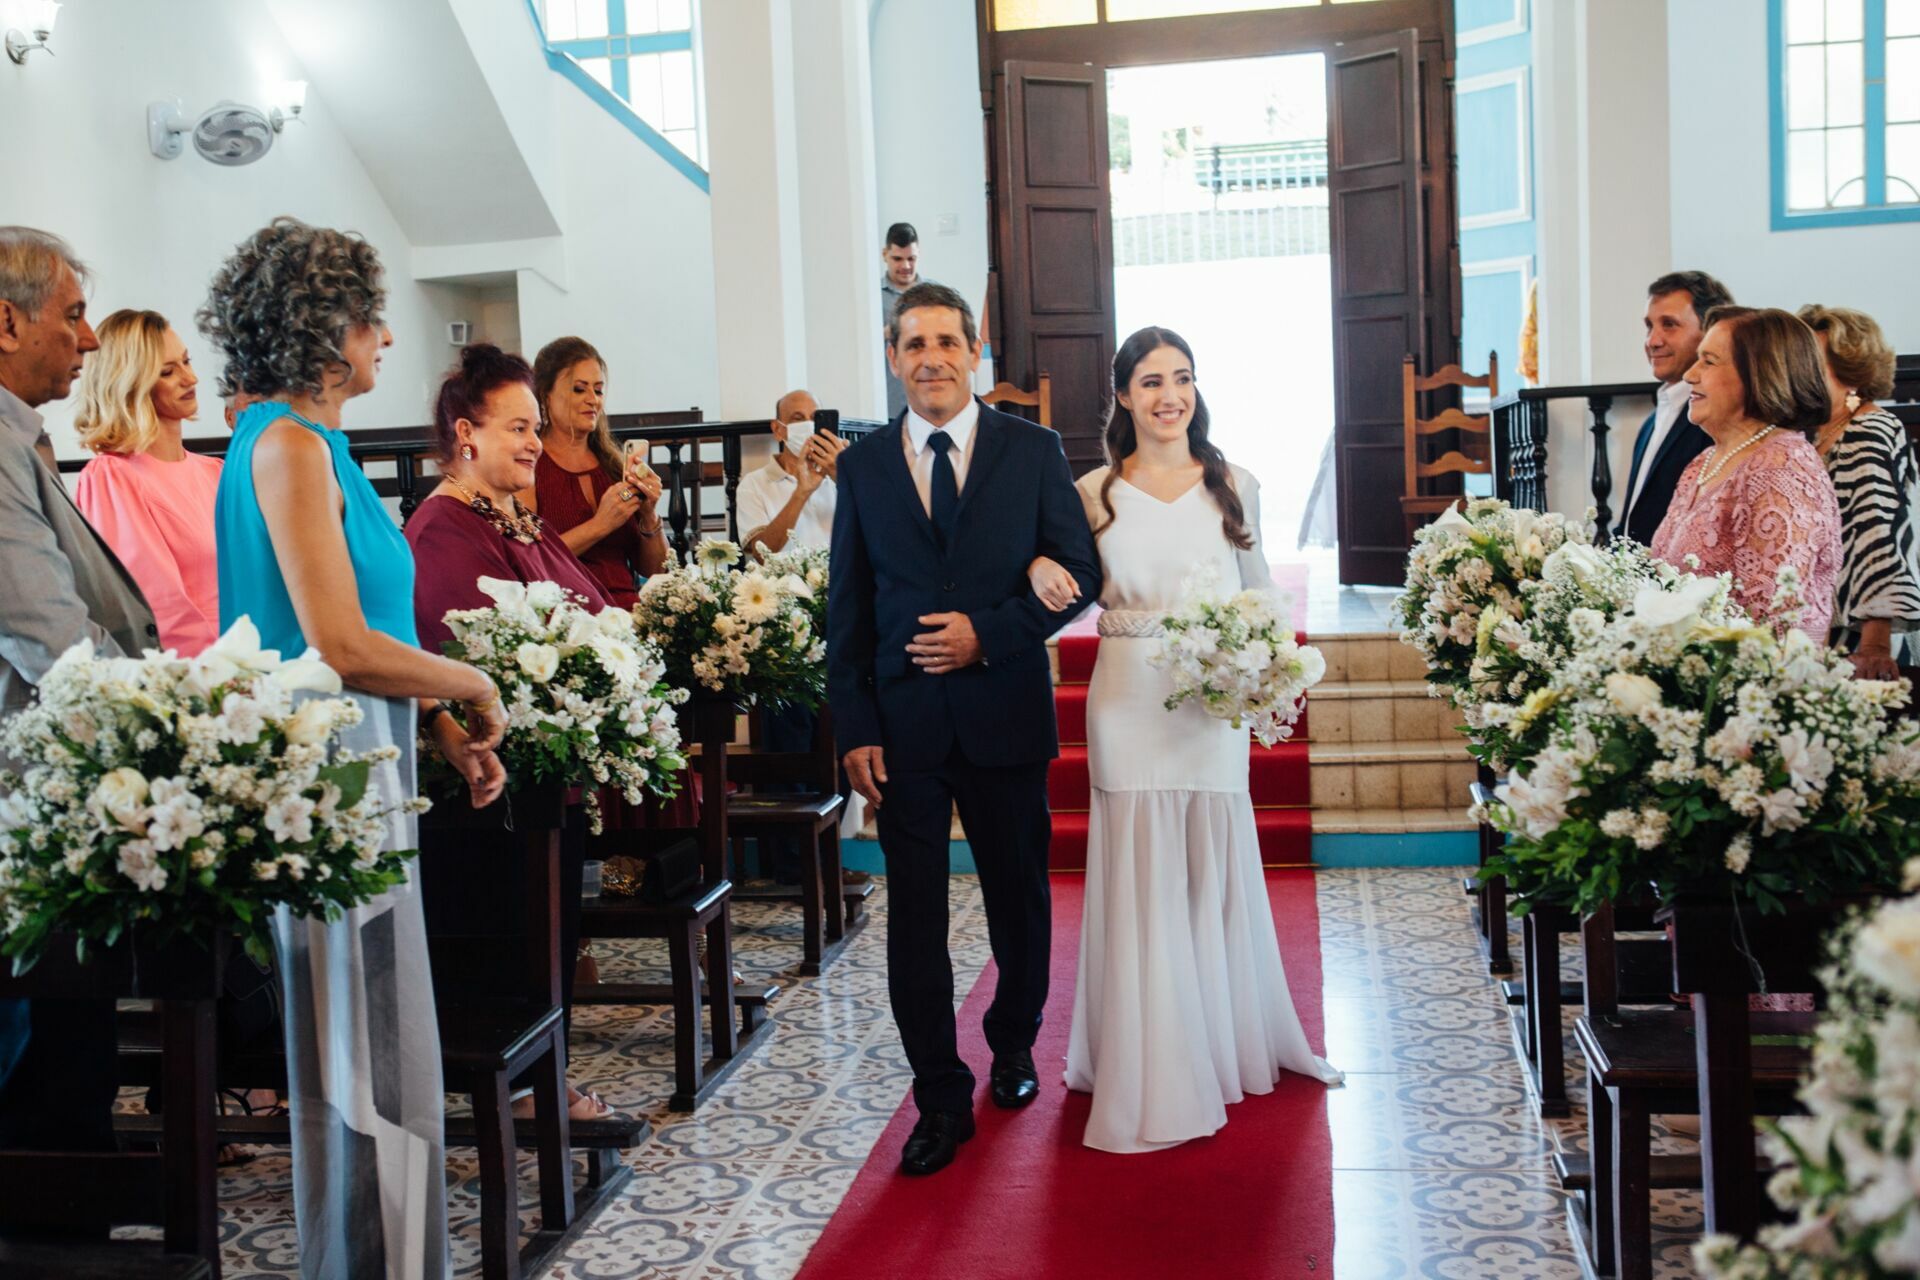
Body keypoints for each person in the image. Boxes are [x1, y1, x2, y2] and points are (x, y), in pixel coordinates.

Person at [204, 217, 507, 1279]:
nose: (386, 338)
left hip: (370, 759)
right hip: (324, 779)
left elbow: (371, 630)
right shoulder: (282, 442)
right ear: (331, 326)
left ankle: (402, 1256)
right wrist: (470, 679)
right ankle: (367, 1265)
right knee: (356, 1058)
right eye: (373, 318)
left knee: (388, 1048)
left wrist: (438, 726)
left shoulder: (318, 444)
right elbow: (332, 641)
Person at [1027, 328, 1342, 1153]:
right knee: (1141, 874)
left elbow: (1262, 591)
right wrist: (1034, 572)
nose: (1172, 395)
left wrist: (1268, 663)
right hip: (1127, 696)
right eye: (1153, 381)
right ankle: (1146, 1055)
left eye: (1184, 378)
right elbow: (1056, 577)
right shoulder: (1092, 490)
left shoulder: (1235, 483)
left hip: (1209, 706)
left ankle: (1222, 1040)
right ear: (1123, 395)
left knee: (1208, 870)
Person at [828, 281, 1101, 1176]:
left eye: (948, 341)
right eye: (914, 343)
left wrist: (993, 632)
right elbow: (849, 609)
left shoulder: (1032, 450)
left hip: (1003, 714)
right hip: (902, 727)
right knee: (915, 920)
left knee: (1018, 897)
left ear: (975, 350)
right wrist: (854, 725)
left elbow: (1080, 569)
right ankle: (939, 1095)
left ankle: (1014, 1041)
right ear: (893, 354)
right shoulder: (864, 468)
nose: (932, 358)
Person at [407, 342, 617, 1121]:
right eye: (518, 428)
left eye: (536, 427)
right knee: (512, 939)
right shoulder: (442, 531)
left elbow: (591, 603)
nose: (535, 443)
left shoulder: (519, 520)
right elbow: (458, 652)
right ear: (467, 434)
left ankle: (547, 1074)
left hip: (545, 775)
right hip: (491, 785)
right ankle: (525, 1087)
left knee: (551, 933)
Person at [0, 226, 154, 1172]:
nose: (89, 340)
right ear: (6, 323)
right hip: (29, 788)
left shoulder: (23, 436)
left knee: (70, 1053)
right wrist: (177, 713)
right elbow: (48, 638)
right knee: (41, 1065)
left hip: (54, 780)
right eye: (72, 315)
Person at [1650, 305, 1841, 636]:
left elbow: (1776, 622)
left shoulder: (1782, 467)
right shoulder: (1702, 463)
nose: (1690, 374)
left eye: (1709, 361)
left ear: (1759, 373)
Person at [72, 309, 223, 655]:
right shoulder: (112, 477)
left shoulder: (214, 472)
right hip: (194, 674)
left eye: (186, 361)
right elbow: (156, 604)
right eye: (168, 371)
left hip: (255, 656)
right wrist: (228, 675)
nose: (191, 378)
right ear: (130, 384)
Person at [1797, 305, 1920, 677]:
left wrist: (1875, 645)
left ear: (1850, 373)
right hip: (1829, 632)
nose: (1798, 373)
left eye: (1811, 362)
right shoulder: (1820, 432)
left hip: (1860, 642)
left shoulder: (1868, 430)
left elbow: (1878, 535)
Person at [523, 335, 665, 607]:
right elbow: (530, 560)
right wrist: (600, 525)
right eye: (579, 389)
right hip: (568, 616)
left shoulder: (613, 465)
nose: (593, 400)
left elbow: (655, 570)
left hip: (629, 611)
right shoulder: (530, 466)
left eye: (598, 391)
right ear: (545, 394)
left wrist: (649, 514)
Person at [1615, 271, 1735, 546]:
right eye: (1649, 326)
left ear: (1710, 332)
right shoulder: (1650, 423)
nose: (1653, 341)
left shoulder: (1718, 421)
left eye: (1669, 325)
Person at [738, 388, 848, 555]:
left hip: (838, 578)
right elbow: (762, 554)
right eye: (798, 419)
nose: (809, 426)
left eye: (814, 418)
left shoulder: (840, 475)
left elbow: (878, 525)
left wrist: (844, 477)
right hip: (785, 580)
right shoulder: (753, 484)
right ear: (778, 430)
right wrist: (801, 493)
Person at [880, 222, 924, 421]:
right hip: (887, 403)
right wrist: (888, 332)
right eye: (897, 259)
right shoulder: (871, 296)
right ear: (885, 255)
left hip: (926, 403)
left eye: (911, 259)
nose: (905, 266)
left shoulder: (933, 296)